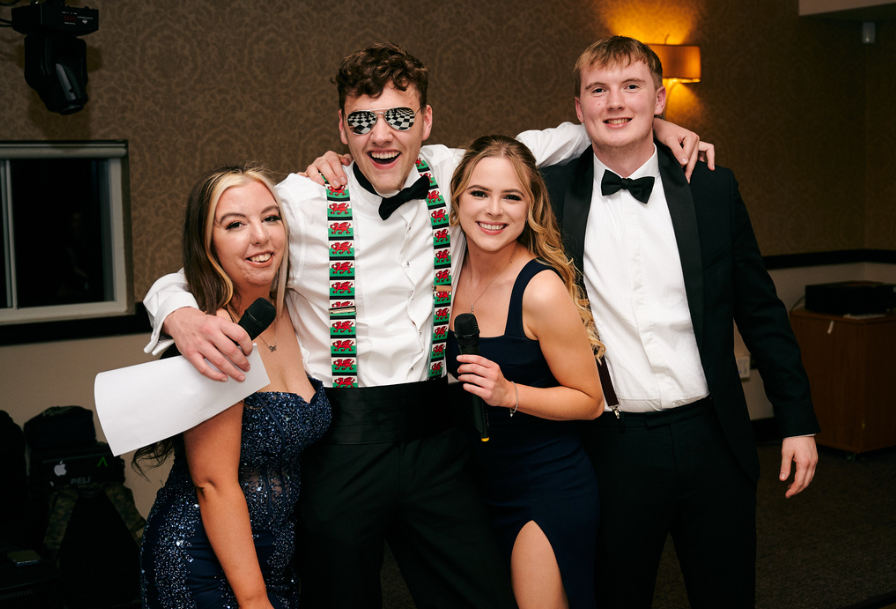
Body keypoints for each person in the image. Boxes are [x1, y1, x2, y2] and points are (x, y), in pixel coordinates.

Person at [142, 43, 709, 609]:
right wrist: (179, 315)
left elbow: (561, 137)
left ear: (426, 121)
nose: (382, 135)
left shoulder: (454, 173)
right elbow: (201, 263)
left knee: (483, 595)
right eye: (363, 120)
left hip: (438, 441)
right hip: (343, 443)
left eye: (400, 117)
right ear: (342, 127)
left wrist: (656, 125)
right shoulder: (300, 199)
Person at [541, 36, 820, 609]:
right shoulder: (547, 195)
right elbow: (458, 169)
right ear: (578, 109)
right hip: (610, 447)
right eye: (599, 90)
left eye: (631, 87)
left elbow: (761, 309)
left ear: (660, 99)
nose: (615, 103)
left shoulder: (712, 187)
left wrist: (797, 420)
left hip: (713, 438)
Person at [137, 165, 331, 609]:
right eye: (235, 224)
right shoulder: (217, 334)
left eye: (271, 218)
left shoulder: (289, 313)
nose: (260, 236)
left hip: (276, 555)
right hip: (204, 558)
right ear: (208, 245)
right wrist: (254, 598)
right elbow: (213, 484)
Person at [446, 135, 604, 609]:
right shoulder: (447, 273)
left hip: (543, 485)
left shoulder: (540, 289)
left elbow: (590, 400)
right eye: (479, 193)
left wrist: (509, 392)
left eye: (511, 196)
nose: (493, 210)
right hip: (469, 485)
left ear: (530, 206)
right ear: (456, 201)